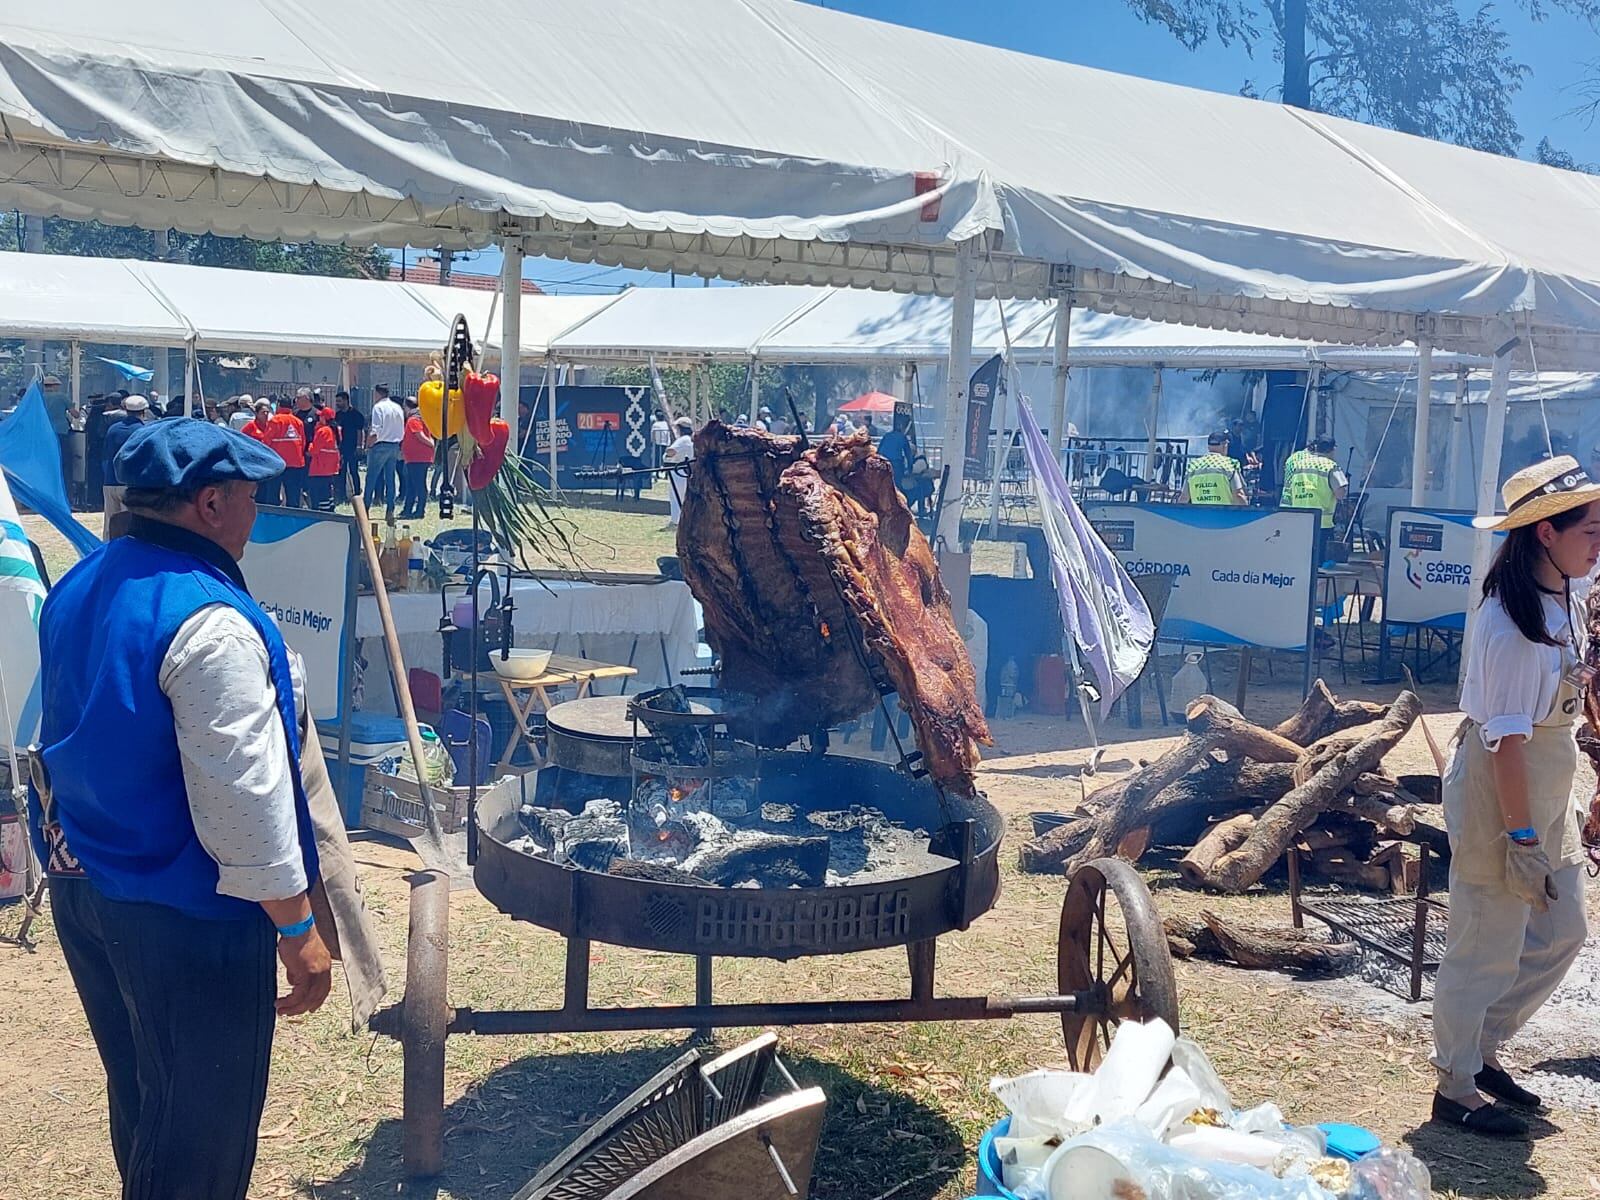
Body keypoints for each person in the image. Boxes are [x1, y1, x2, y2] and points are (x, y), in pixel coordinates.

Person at [28, 418, 381, 1200]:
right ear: (210, 503)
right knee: (201, 1137)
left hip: (86, 882)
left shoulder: (81, 580)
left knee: (148, 1098)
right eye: (252, 497)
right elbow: (242, 797)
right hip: (183, 913)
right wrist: (296, 929)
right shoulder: (208, 620)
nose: (258, 514)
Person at [1430, 456, 1600, 1138]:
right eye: (1589, 529)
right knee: (1485, 942)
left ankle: (1484, 1049)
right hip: (1502, 791)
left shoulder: (1566, 598)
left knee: (1564, 932)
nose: (1599, 540)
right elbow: (1502, 745)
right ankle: (1454, 1084)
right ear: (1544, 535)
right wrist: (1521, 839)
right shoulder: (1505, 627)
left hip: (1549, 778)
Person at [1281, 434, 1348, 558]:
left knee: (1300, 557)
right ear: (1333, 449)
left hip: (1299, 519)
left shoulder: (1298, 464)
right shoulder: (1330, 466)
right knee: (1318, 562)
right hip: (1322, 523)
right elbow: (1340, 493)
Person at [100, 395, 150, 525]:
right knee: (129, 525)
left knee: (110, 524)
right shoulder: (143, 431)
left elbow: (105, 457)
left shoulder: (113, 429)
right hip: (130, 484)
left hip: (110, 482)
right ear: (144, 412)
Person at [875, 411, 933, 516]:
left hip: (883, 463)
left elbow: (878, 451)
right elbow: (908, 455)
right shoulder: (902, 437)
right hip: (896, 465)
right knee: (897, 487)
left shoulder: (887, 436)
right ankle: (898, 507)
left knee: (882, 486)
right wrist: (910, 469)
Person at [364, 384, 405, 522]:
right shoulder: (397, 407)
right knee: (390, 479)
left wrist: (368, 444)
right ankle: (390, 511)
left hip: (380, 445)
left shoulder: (378, 407)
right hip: (394, 445)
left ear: (377, 393)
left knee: (371, 478)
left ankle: (365, 509)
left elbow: (375, 430)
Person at [1181, 431, 1248, 506]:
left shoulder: (1193, 466)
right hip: (1225, 515)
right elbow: (1239, 495)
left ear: (1208, 447)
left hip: (1199, 516)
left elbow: (1184, 498)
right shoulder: (1230, 464)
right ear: (1225, 445)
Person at [265, 398, 307, 508]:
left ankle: (273, 518)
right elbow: (303, 442)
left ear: (279, 405)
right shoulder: (298, 422)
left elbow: (266, 442)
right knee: (293, 496)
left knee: (273, 495)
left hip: (277, 463)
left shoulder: (275, 420)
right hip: (295, 463)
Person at [399, 397, 436, 519]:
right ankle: (408, 509)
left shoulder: (414, 420)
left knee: (418, 485)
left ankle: (419, 510)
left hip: (418, 458)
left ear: (407, 406)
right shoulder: (421, 418)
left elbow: (419, 435)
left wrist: (431, 443)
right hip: (415, 458)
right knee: (412, 485)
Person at [332, 390, 365, 502]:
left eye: (339, 401)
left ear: (346, 401)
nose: (337, 403)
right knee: (341, 472)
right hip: (341, 448)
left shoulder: (356, 414)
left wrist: (359, 446)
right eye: (336, 401)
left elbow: (359, 431)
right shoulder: (338, 415)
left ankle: (356, 494)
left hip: (352, 447)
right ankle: (341, 495)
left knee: (353, 471)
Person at [306, 407, 342, 512]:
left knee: (318, 495)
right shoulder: (335, 430)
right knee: (326, 492)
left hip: (319, 468)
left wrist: (310, 445)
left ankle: (322, 513)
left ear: (324, 418)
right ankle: (329, 509)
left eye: (320, 416)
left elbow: (313, 450)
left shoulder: (323, 431)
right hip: (330, 468)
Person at [662, 417, 695, 530]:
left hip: (678, 470)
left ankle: (676, 522)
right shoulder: (692, 438)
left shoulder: (683, 439)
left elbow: (671, 451)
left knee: (676, 497)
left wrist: (666, 453)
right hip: (688, 471)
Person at [42, 373, 72, 482]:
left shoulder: (40, 398)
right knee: (64, 461)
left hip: (44, 434)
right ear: (54, 386)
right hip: (61, 432)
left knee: (48, 461)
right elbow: (75, 414)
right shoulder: (61, 397)